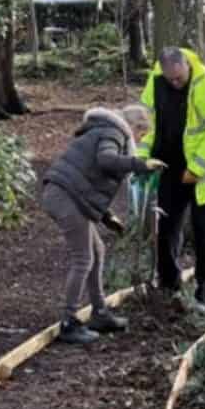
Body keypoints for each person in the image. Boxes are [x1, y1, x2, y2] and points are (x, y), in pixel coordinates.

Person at [41, 104, 166, 344]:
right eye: (141, 134)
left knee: (98, 251)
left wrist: (108, 217)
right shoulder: (113, 132)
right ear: (135, 127)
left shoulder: (103, 130)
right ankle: (68, 322)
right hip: (64, 197)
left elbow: (88, 178)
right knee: (83, 258)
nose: (139, 140)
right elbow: (106, 161)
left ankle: (99, 312)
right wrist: (140, 164)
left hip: (66, 193)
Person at [139, 46, 205, 309]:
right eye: (169, 79)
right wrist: (141, 159)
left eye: (178, 78)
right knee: (165, 227)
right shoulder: (156, 80)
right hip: (169, 166)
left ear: (187, 65)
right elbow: (145, 124)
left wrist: (196, 168)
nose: (174, 83)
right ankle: (168, 284)